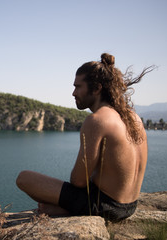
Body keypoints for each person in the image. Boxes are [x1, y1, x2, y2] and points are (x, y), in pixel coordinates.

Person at [16, 53, 155, 221]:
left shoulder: (97, 120)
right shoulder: (134, 117)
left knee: (24, 178)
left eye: (78, 86)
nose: (74, 93)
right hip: (130, 206)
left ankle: (67, 210)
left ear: (96, 88)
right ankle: (65, 209)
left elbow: (78, 181)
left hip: (104, 207)